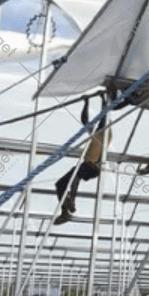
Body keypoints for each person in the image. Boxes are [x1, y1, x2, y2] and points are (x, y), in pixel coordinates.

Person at [52, 95, 110, 226]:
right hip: (87, 166)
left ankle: (71, 202)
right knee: (62, 184)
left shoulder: (103, 134)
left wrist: (103, 99)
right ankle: (66, 209)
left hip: (93, 166)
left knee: (74, 175)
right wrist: (86, 102)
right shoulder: (95, 134)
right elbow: (85, 120)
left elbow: (104, 116)